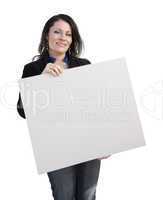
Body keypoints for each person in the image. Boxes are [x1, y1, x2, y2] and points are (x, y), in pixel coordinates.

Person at [17, 14, 110, 200]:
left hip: (87, 142)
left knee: (87, 196)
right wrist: (40, 81)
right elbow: (23, 111)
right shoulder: (33, 69)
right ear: (47, 36)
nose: (63, 37)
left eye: (68, 34)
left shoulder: (84, 65)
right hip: (55, 147)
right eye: (57, 32)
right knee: (64, 196)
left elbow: (96, 107)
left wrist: (104, 142)